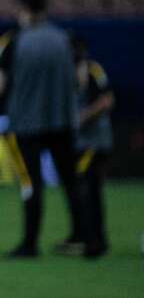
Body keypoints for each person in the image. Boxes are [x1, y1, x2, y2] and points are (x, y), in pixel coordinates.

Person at [0, 0, 84, 258]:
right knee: (71, 182)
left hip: (26, 125)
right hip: (62, 122)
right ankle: (82, 236)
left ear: (23, 9)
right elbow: (80, 82)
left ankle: (29, 243)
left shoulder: (13, 42)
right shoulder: (66, 40)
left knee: (31, 183)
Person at [68, 35, 114, 258]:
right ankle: (91, 239)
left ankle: (95, 242)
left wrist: (84, 116)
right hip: (84, 142)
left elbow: (107, 100)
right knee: (87, 191)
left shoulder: (93, 70)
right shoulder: (72, 72)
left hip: (94, 142)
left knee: (89, 191)